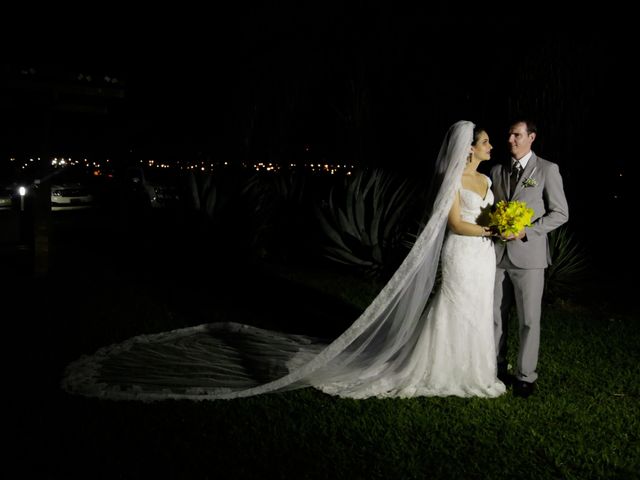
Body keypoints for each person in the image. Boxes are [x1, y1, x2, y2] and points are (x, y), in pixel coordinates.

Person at [61, 120, 504, 401]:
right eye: (484, 142)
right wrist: (489, 229)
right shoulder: (451, 178)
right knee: (451, 308)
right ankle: (440, 368)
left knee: (476, 310)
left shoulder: (486, 178)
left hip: (483, 256)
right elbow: (451, 222)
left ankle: (474, 367)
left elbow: (489, 211)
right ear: (468, 149)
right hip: (463, 249)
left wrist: (502, 225)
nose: (489, 146)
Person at [490, 119, 569, 398]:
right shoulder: (497, 170)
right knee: (495, 317)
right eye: (509, 134)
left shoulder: (547, 169)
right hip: (498, 256)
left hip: (530, 258)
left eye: (517, 135)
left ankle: (525, 376)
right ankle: (496, 367)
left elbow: (560, 213)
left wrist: (527, 232)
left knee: (529, 320)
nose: (511, 139)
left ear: (531, 137)